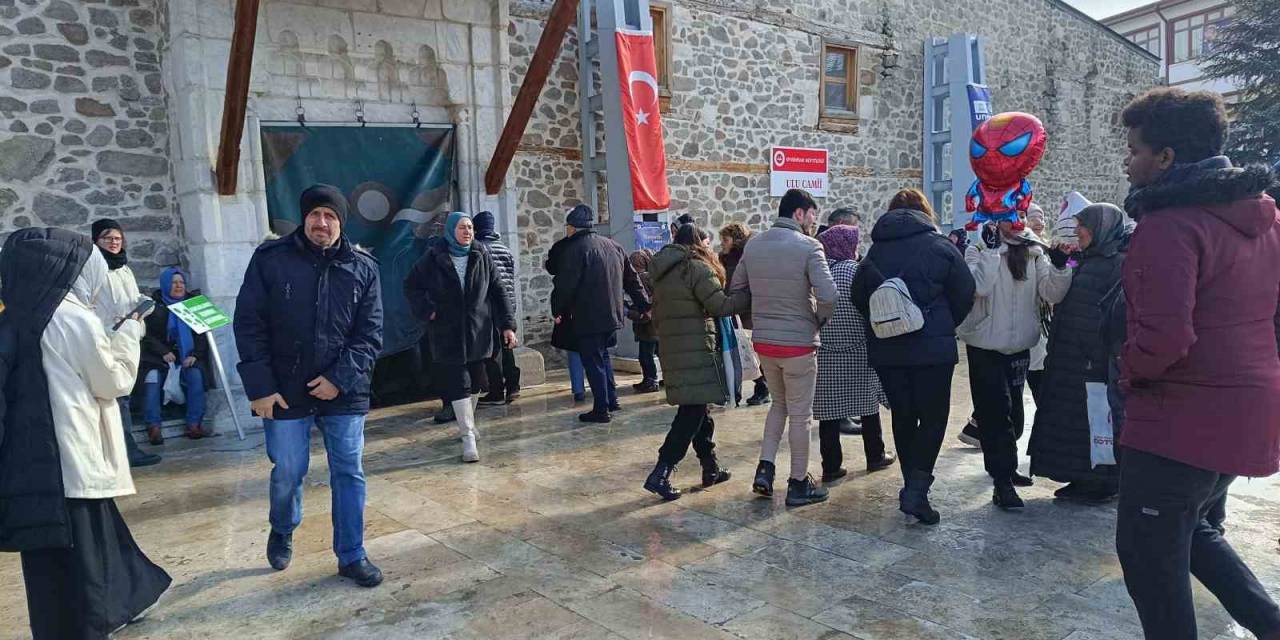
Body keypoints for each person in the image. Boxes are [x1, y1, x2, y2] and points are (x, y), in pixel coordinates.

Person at [1113, 87, 1280, 639]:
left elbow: (1164, 338)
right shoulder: (1264, 218)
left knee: (1149, 561)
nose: (1128, 161)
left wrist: (1128, 371)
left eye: (1135, 149)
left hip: (1178, 420)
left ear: (1165, 158)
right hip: (1244, 408)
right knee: (1195, 531)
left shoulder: (1170, 225)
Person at [0, 228, 171, 638]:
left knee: (47, 566)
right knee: (88, 565)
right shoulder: (71, 317)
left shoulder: (13, 315)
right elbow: (112, 382)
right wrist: (130, 331)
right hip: (73, 459)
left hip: (31, 464)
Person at [233, 184, 385, 588]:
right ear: (304, 219)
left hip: (344, 391)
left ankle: (352, 554)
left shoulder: (363, 268)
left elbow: (369, 335)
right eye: (316, 214)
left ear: (341, 222)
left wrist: (339, 378)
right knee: (288, 469)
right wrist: (260, 387)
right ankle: (283, 526)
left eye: (331, 216)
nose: (322, 223)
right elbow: (249, 324)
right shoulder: (271, 260)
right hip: (284, 388)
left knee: (349, 471)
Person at [851, 189, 976, 525]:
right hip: (933, 351)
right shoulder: (941, 247)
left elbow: (859, 296)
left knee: (903, 417)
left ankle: (912, 486)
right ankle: (917, 491)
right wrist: (942, 323)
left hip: (888, 350)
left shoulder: (874, 253)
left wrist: (886, 323)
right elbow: (965, 292)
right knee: (934, 418)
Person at [729, 189, 838, 506]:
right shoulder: (809, 247)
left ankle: (765, 468)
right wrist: (817, 320)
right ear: (800, 213)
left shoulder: (754, 244)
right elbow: (829, 294)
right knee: (801, 415)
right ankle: (798, 483)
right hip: (799, 344)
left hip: (765, 342)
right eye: (812, 216)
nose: (813, 223)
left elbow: (737, 288)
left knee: (778, 405)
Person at [957, 220, 1072, 511]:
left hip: (1020, 344)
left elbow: (1052, 294)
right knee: (994, 413)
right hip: (985, 344)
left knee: (1015, 413)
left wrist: (1059, 267)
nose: (1011, 221)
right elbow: (979, 288)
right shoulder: (979, 247)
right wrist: (993, 251)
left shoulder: (1035, 252)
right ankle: (1002, 481)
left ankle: (1006, 468)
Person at [1028, 204, 1130, 504]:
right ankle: (1082, 477)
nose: (1078, 232)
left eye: (1083, 226)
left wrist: (1101, 353)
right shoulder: (1084, 260)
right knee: (1075, 423)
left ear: (1102, 228)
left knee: (1098, 423)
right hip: (1071, 358)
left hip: (1094, 361)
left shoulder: (1117, 264)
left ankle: (1103, 483)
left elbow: (1118, 316)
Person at [642, 224, 749, 500]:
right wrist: (746, 295)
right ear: (697, 243)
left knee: (699, 408)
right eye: (706, 240)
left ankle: (710, 466)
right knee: (690, 414)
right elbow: (720, 306)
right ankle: (661, 471)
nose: (710, 246)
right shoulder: (695, 269)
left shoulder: (663, 271)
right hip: (697, 350)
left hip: (674, 349)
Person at [405, 211, 517, 463]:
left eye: (470, 227)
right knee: (460, 382)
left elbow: (498, 290)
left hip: (478, 330)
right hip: (448, 332)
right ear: (451, 231)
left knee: (478, 382)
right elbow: (412, 285)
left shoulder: (482, 254)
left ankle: (469, 422)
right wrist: (428, 310)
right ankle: (467, 437)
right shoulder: (433, 257)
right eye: (462, 228)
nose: (467, 231)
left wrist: (507, 325)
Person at [548, 204, 651, 423]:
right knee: (603, 357)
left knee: (593, 361)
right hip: (612, 314)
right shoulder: (613, 246)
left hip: (587, 316)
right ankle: (611, 400)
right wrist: (645, 305)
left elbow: (565, 285)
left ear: (572, 228)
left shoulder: (574, 250)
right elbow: (632, 280)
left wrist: (557, 309)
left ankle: (601, 409)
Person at [813, 224, 895, 481]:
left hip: (826, 351)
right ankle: (875, 455)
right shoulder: (858, 271)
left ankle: (831, 466)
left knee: (829, 412)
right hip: (859, 348)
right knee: (868, 406)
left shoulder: (820, 273)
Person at [90, 218, 161, 467]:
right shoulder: (92, 267)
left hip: (129, 337)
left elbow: (130, 298)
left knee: (123, 395)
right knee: (117, 395)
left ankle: (121, 449)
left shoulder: (124, 268)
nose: (113, 242)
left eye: (117, 238)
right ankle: (124, 450)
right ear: (96, 240)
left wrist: (143, 304)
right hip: (108, 339)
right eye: (107, 238)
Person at [139, 267, 215, 443]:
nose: (179, 286)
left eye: (181, 282)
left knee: (196, 375)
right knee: (152, 379)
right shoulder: (153, 306)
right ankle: (154, 427)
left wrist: (195, 355)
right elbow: (145, 335)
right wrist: (163, 352)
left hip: (187, 357)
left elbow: (201, 335)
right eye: (174, 283)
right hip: (157, 359)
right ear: (166, 284)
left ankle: (194, 424)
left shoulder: (192, 305)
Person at [473, 211, 522, 405]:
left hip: (490, 307)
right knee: (507, 348)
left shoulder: (479, 249)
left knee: (491, 351)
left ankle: (496, 391)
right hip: (508, 305)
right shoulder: (505, 249)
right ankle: (513, 387)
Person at [720, 222, 769, 406]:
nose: (723, 244)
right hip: (734, 310)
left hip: (748, 311)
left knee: (752, 352)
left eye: (726, 240)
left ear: (736, 240)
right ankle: (741, 390)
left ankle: (763, 387)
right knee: (741, 352)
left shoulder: (748, 256)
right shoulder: (725, 258)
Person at [627, 249, 661, 393]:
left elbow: (646, 299)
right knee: (658, 353)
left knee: (645, 355)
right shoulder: (653, 276)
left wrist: (639, 313)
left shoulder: (642, 278)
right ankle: (654, 379)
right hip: (655, 324)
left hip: (648, 325)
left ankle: (651, 380)